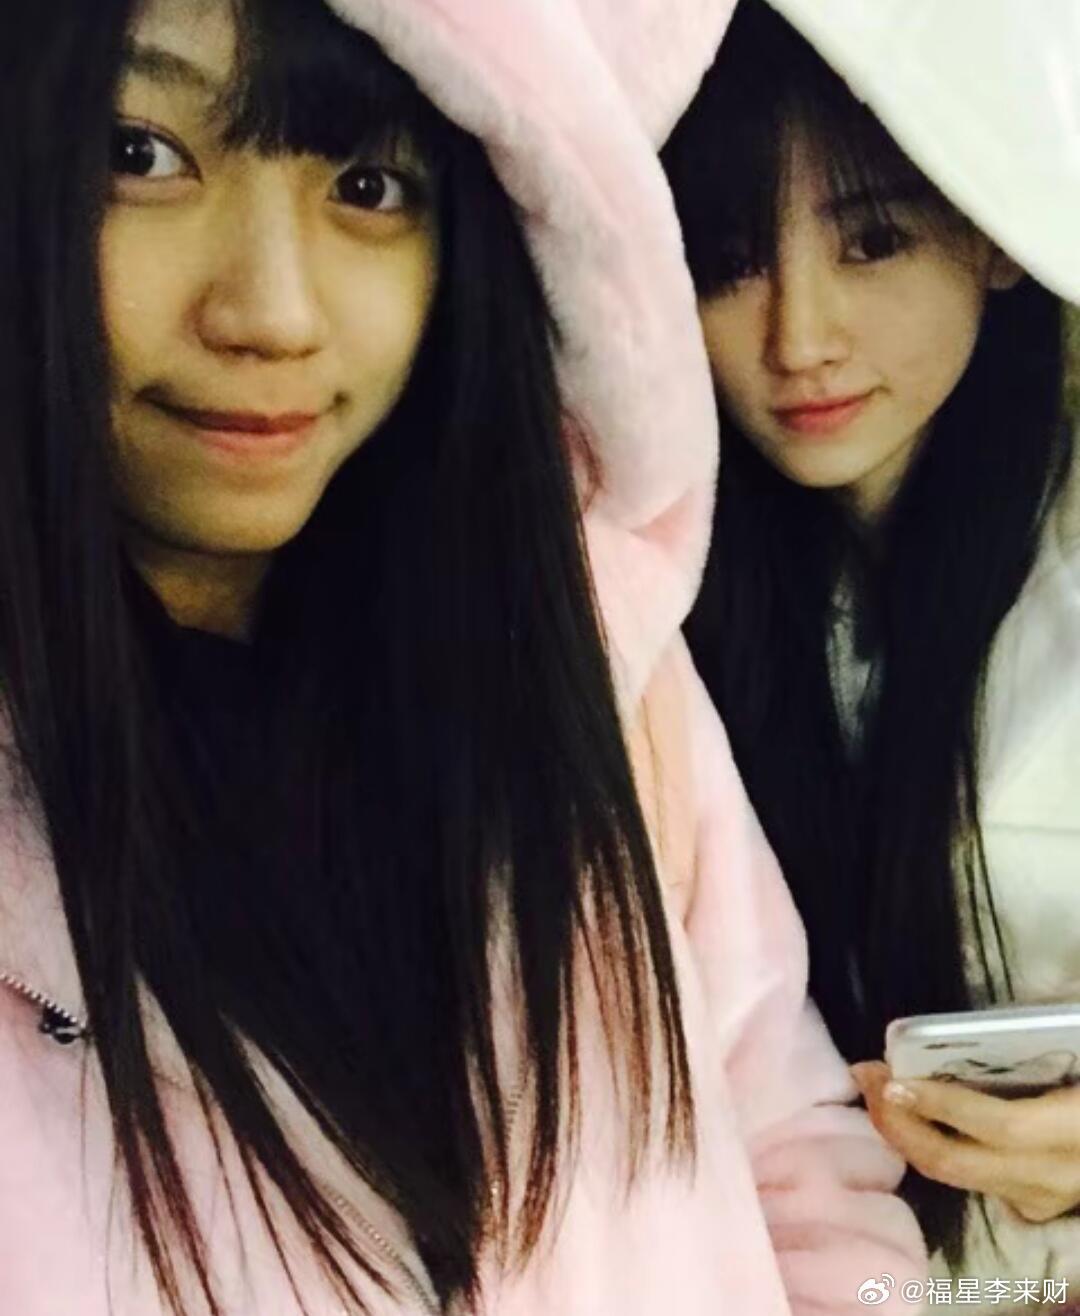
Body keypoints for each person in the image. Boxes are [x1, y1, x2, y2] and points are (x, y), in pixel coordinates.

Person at [0, 0, 923, 1312]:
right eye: (137, 155)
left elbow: (794, 1155)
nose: (274, 313)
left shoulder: (593, 662)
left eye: (368, 186)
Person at [662, 0, 1080, 1302]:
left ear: (993, 224)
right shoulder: (635, 591)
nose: (800, 337)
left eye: (875, 238)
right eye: (727, 258)